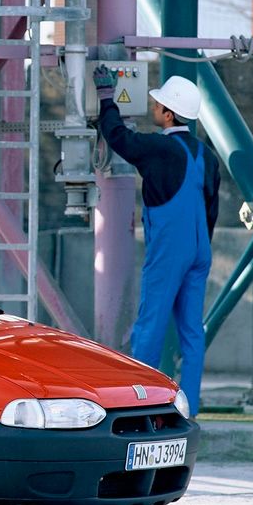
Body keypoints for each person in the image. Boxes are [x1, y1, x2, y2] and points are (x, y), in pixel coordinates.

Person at [93, 66, 221, 415]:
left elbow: (119, 138)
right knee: (192, 333)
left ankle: (142, 406)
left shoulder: (159, 149)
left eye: (158, 105)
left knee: (150, 325)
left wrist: (107, 97)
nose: (153, 108)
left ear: (169, 114)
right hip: (200, 250)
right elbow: (212, 208)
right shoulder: (205, 155)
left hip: (171, 249)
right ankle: (189, 409)